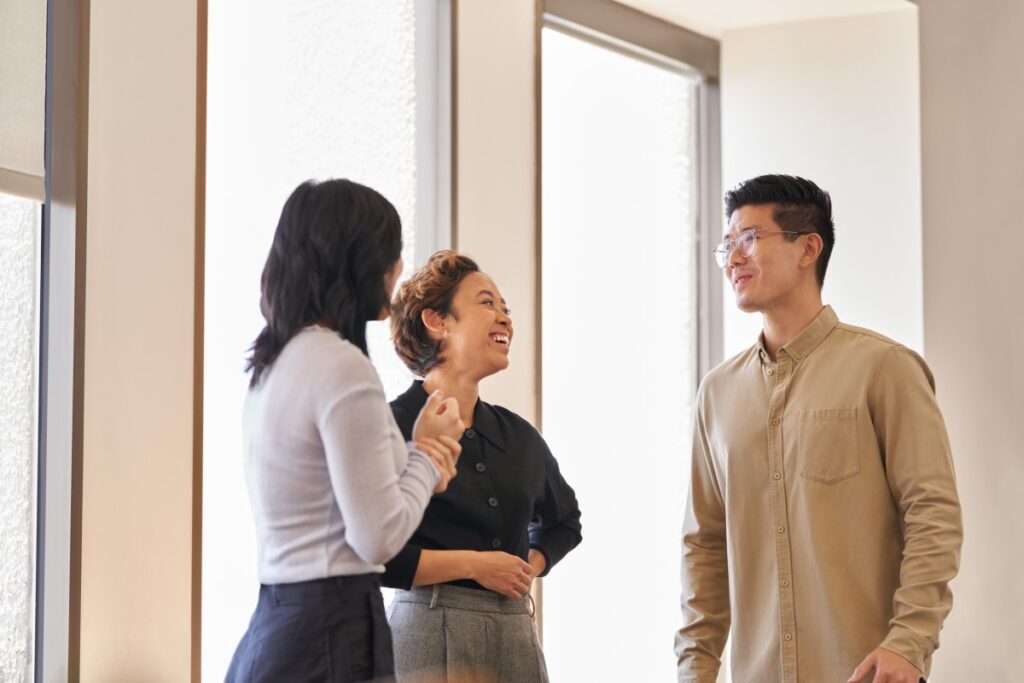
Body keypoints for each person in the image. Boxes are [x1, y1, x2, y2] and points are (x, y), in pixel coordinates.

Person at [675, 175, 963, 683]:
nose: (733, 259)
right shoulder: (717, 394)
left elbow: (932, 515)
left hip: (870, 672)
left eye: (749, 238)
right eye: (728, 245)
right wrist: (695, 668)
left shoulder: (885, 368)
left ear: (808, 247)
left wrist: (908, 643)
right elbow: (705, 545)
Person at [225, 179, 465, 682]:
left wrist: (417, 456)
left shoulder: (274, 362)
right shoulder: (342, 367)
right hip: (331, 630)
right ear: (359, 262)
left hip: (276, 621)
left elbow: (331, 504)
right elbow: (377, 538)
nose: (397, 272)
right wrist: (427, 454)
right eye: (390, 255)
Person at [382, 250, 582, 682]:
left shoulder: (520, 436)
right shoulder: (390, 426)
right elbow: (375, 556)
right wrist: (476, 565)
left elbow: (565, 521)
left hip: (514, 631)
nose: (506, 319)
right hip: (426, 629)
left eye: (507, 309)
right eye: (487, 303)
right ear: (437, 321)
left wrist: (526, 565)